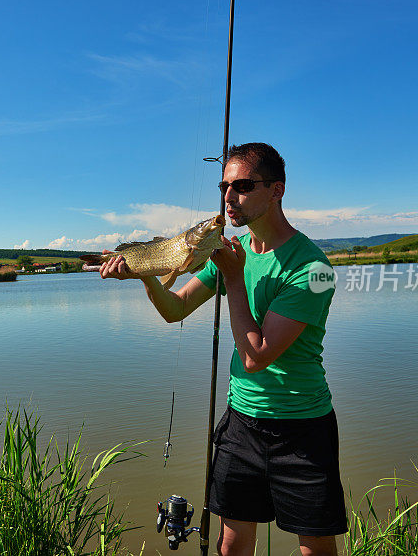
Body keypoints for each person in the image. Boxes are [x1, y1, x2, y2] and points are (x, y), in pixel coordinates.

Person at [98, 142, 346, 556]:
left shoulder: (314, 269)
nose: (230, 198)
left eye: (243, 186)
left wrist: (234, 279)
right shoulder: (230, 253)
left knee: (315, 548)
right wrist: (145, 275)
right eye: (225, 186)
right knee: (230, 547)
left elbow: (256, 356)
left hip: (303, 429)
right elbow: (175, 309)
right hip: (242, 425)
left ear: (277, 190)